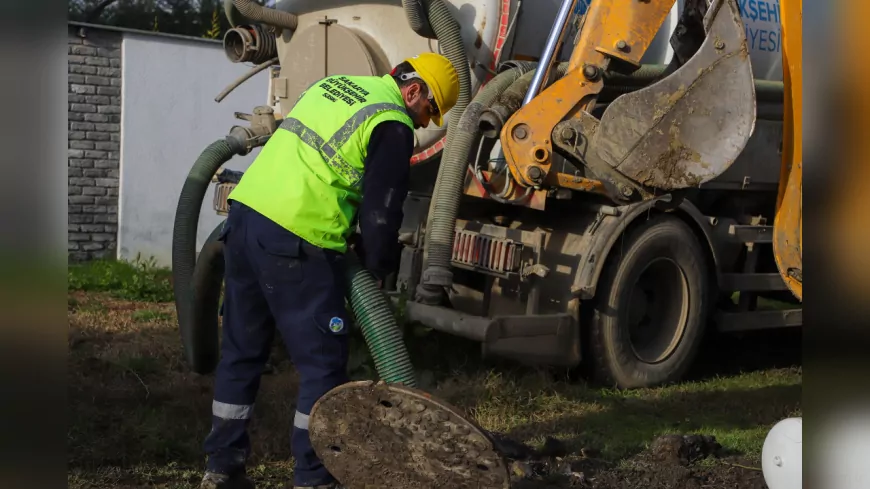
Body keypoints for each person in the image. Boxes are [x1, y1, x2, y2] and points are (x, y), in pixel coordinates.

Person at [198, 52, 460, 489]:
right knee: (322, 367)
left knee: (242, 352)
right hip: (297, 240)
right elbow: (382, 212)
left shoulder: (333, 85)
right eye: (428, 112)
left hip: (244, 221)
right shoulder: (391, 123)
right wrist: (377, 268)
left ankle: (221, 469)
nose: (422, 124)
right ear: (412, 91)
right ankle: (314, 479)